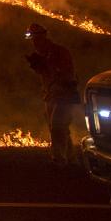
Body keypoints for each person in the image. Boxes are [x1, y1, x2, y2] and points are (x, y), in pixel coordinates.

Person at [24, 23, 80, 168]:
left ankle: (59, 160)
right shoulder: (41, 55)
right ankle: (71, 159)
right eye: (32, 40)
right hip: (51, 96)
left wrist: (48, 66)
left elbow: (67, 75)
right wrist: (39, 68)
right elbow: (46, 76)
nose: (34, 43)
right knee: (59, 128)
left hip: (66, 96)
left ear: (42, 37)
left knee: (57, 126)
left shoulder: (60, 52)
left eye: (35, 39)